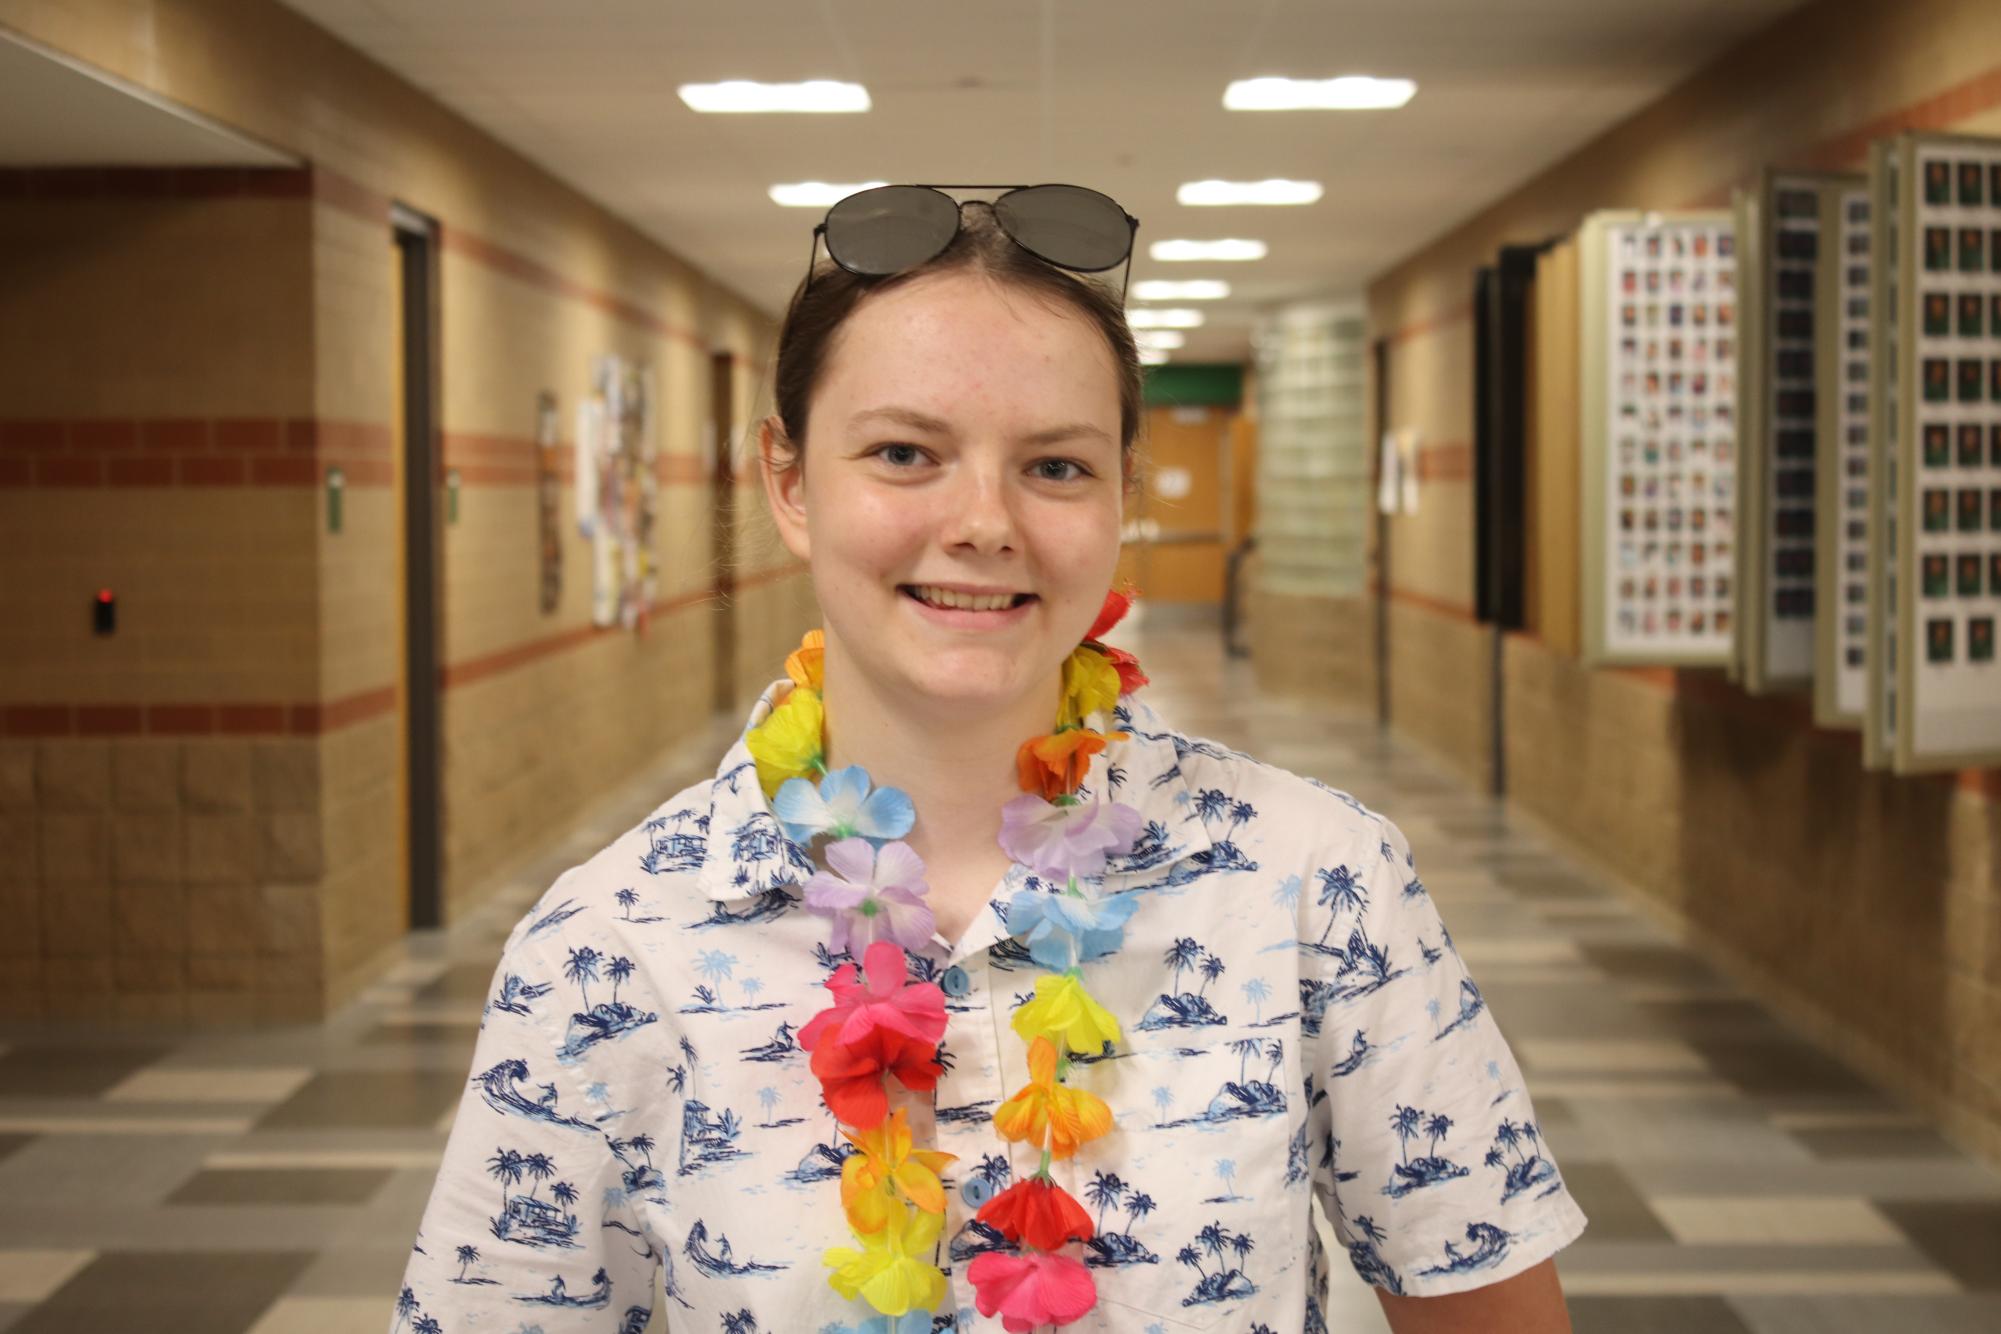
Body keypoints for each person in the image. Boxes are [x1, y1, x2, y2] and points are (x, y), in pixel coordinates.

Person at [393, 186, 1584, 1333]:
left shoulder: (1317, 882)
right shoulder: (608, 945)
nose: (984, 520)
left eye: (1056, 464)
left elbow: (1483, 1293)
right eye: (906, 453)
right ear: (790, 479)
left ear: (1124, 487)